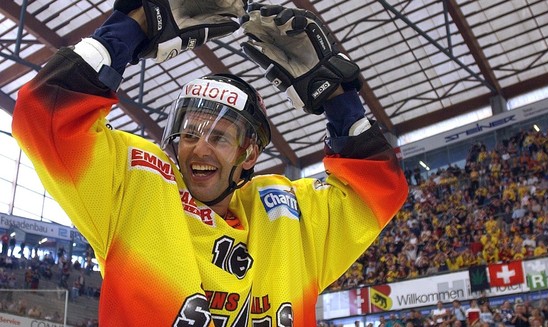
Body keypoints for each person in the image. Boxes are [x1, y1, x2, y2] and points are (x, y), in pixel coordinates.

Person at [11, 1, 408, 326]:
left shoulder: (290, 215)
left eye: (219, 136)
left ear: (249, 153)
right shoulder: (137, 187)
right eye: (189, 134)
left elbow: (378, 191)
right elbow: (44, 118)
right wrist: (134, 26)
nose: (199, 148)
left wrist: (339, 100)